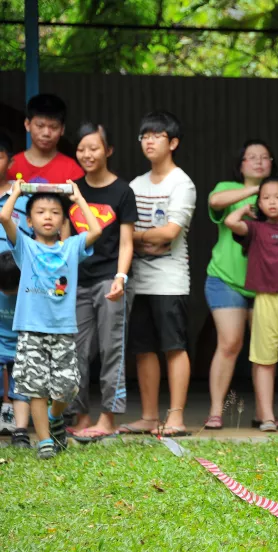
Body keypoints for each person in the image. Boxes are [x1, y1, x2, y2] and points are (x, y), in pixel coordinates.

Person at [0, 179, 103, 458]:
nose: (48, 216)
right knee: (36, 386)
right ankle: (44, 440)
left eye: (55, 212)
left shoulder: (70, 247)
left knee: (67, 387)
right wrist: (17, 193)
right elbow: (3, 216)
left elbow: (95, 229)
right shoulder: (25, 246)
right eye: (41, 212)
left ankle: (55, 418)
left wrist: (79, 198)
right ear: (30, 221)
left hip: (63, 329)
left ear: (63, 221)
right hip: (31, 329)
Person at [120, 111, 196, 437]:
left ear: (173, 142)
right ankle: (149, 417)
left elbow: (169, 232)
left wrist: (132, 236)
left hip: (170, 280)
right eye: (144, 136)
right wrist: (137, 235)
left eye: (156, 135)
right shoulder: (134, 185)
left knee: (174, 346)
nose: (148, 141)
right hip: (139, 280)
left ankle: (175, 416)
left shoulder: (182, 183)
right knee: (143, 349)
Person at [62, 123, 137, 441]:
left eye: (94, 148)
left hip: (110, 281)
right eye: (81, 148)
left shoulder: (122, 191)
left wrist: (120, 277)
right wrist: (62, 279)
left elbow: (126, 242)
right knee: (76, 352)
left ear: (108, 150)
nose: (87, 154)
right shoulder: (72, 190)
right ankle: (82, 416)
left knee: (111, 350)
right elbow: (65, 239)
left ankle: (108, 417)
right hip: (77, 282)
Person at [205, 140, 278, 430]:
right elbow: (214, 202)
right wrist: (255, 191)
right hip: (226, 278)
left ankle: (266, 414)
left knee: (265, 350)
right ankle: (215, 411)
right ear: (241, 165)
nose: (259, 162)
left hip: (265, 284)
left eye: (265, 157)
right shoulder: (227, 188)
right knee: (230, 343)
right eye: (252, 158)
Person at [225, 176, 278, 432]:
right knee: (264, 360)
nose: (272, 202)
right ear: (259, 202)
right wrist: (244, 210)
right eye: (266, 198)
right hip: (264, 298)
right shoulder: (255, 228)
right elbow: (230, 222)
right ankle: (266, 416)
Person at [0, 132, 33, 440]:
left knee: (20, 350)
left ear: (10, 161)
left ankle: (18, 418)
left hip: (18, 284)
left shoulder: (24, 196)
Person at [8, 94, 84, 184]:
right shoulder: (10, 167)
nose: (46, 133)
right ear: (27, 124)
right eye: (40, 126)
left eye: (54, 127)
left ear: (62, 129)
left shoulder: (73, 171)